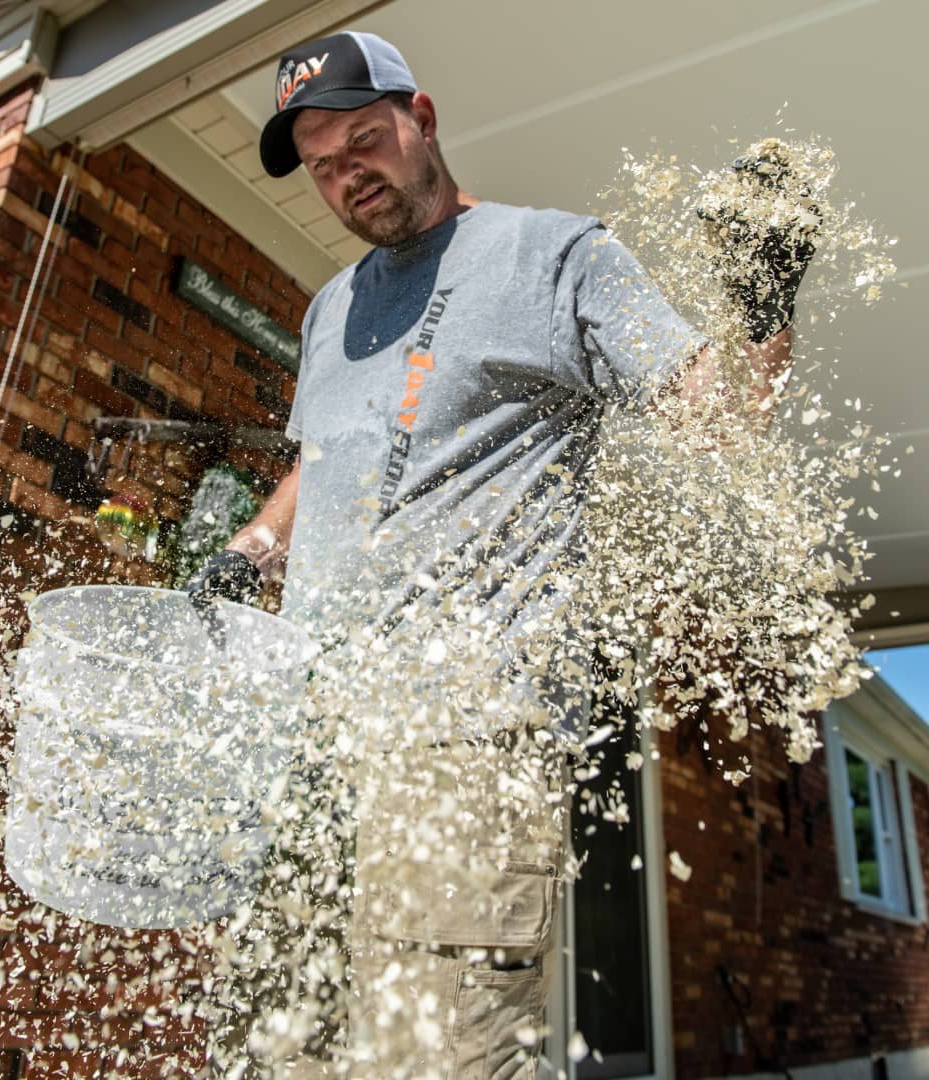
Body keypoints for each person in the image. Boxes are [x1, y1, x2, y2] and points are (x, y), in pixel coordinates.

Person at [186, 31, 813, 1079]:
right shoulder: (327, 310)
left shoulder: (555, 254)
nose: (349, 175)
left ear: (421, 117)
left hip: (465, 736)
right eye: (324, 163)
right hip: (310, 740)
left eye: (365, 138)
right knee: (274, 1049)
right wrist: (250, 549)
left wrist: (763, 307)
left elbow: (715, 418)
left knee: (439, 1057)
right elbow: (327, 461)